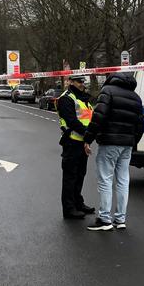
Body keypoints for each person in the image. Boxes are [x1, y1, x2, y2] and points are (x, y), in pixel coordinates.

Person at [83, 72, 144, 231]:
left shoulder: (108, 91)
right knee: (123, 180)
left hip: (109, 143)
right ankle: (120, 219)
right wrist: (132, 141)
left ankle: (104, 219)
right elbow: (141, 124)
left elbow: (98, 117)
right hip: (127, 145)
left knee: (105, 180)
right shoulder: (136, 97)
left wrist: (88, 139)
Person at [57, 76, 95, 219]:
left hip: (83, 142)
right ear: (70, 81)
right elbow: (72, 121)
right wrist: (88, 134)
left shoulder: (83, 99)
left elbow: (89, 118)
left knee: (80, 175)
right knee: (70, 177)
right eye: (79, 81)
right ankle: (69, 209)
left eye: (83, 82)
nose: (82, 84)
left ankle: (78, 203)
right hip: (72, 142)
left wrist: (88, 138)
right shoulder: (66, 98)